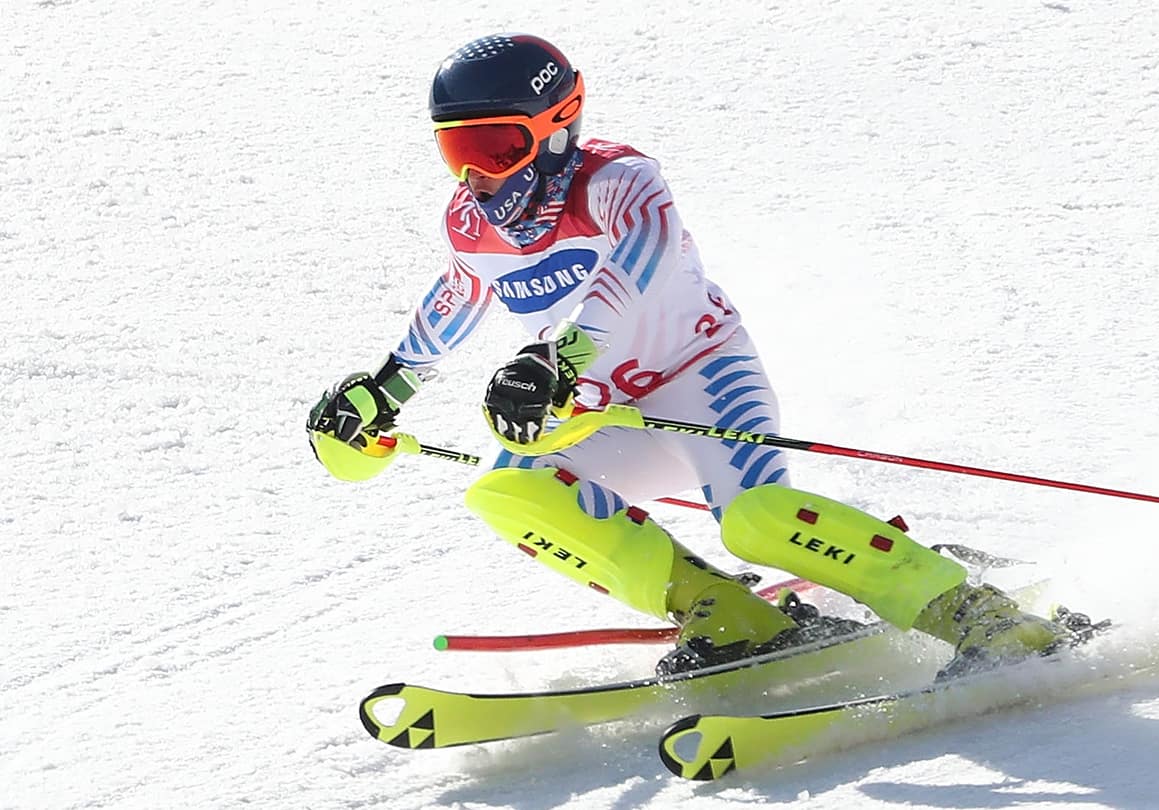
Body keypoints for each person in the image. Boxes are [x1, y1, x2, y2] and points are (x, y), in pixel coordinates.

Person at [306, 33, 1077, 677]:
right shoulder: (471, 222)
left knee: (757, 520)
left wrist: (559, 356)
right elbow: (459, 295)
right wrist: (384, 391)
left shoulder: (621, 182)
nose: (478, 176)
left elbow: (636, 273)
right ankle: (730, 614)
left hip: (701, 378)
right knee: (505, 490)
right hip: (607, 413)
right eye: (457, 153)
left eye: (498, 147)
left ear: (557, 125)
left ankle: (980, 612)